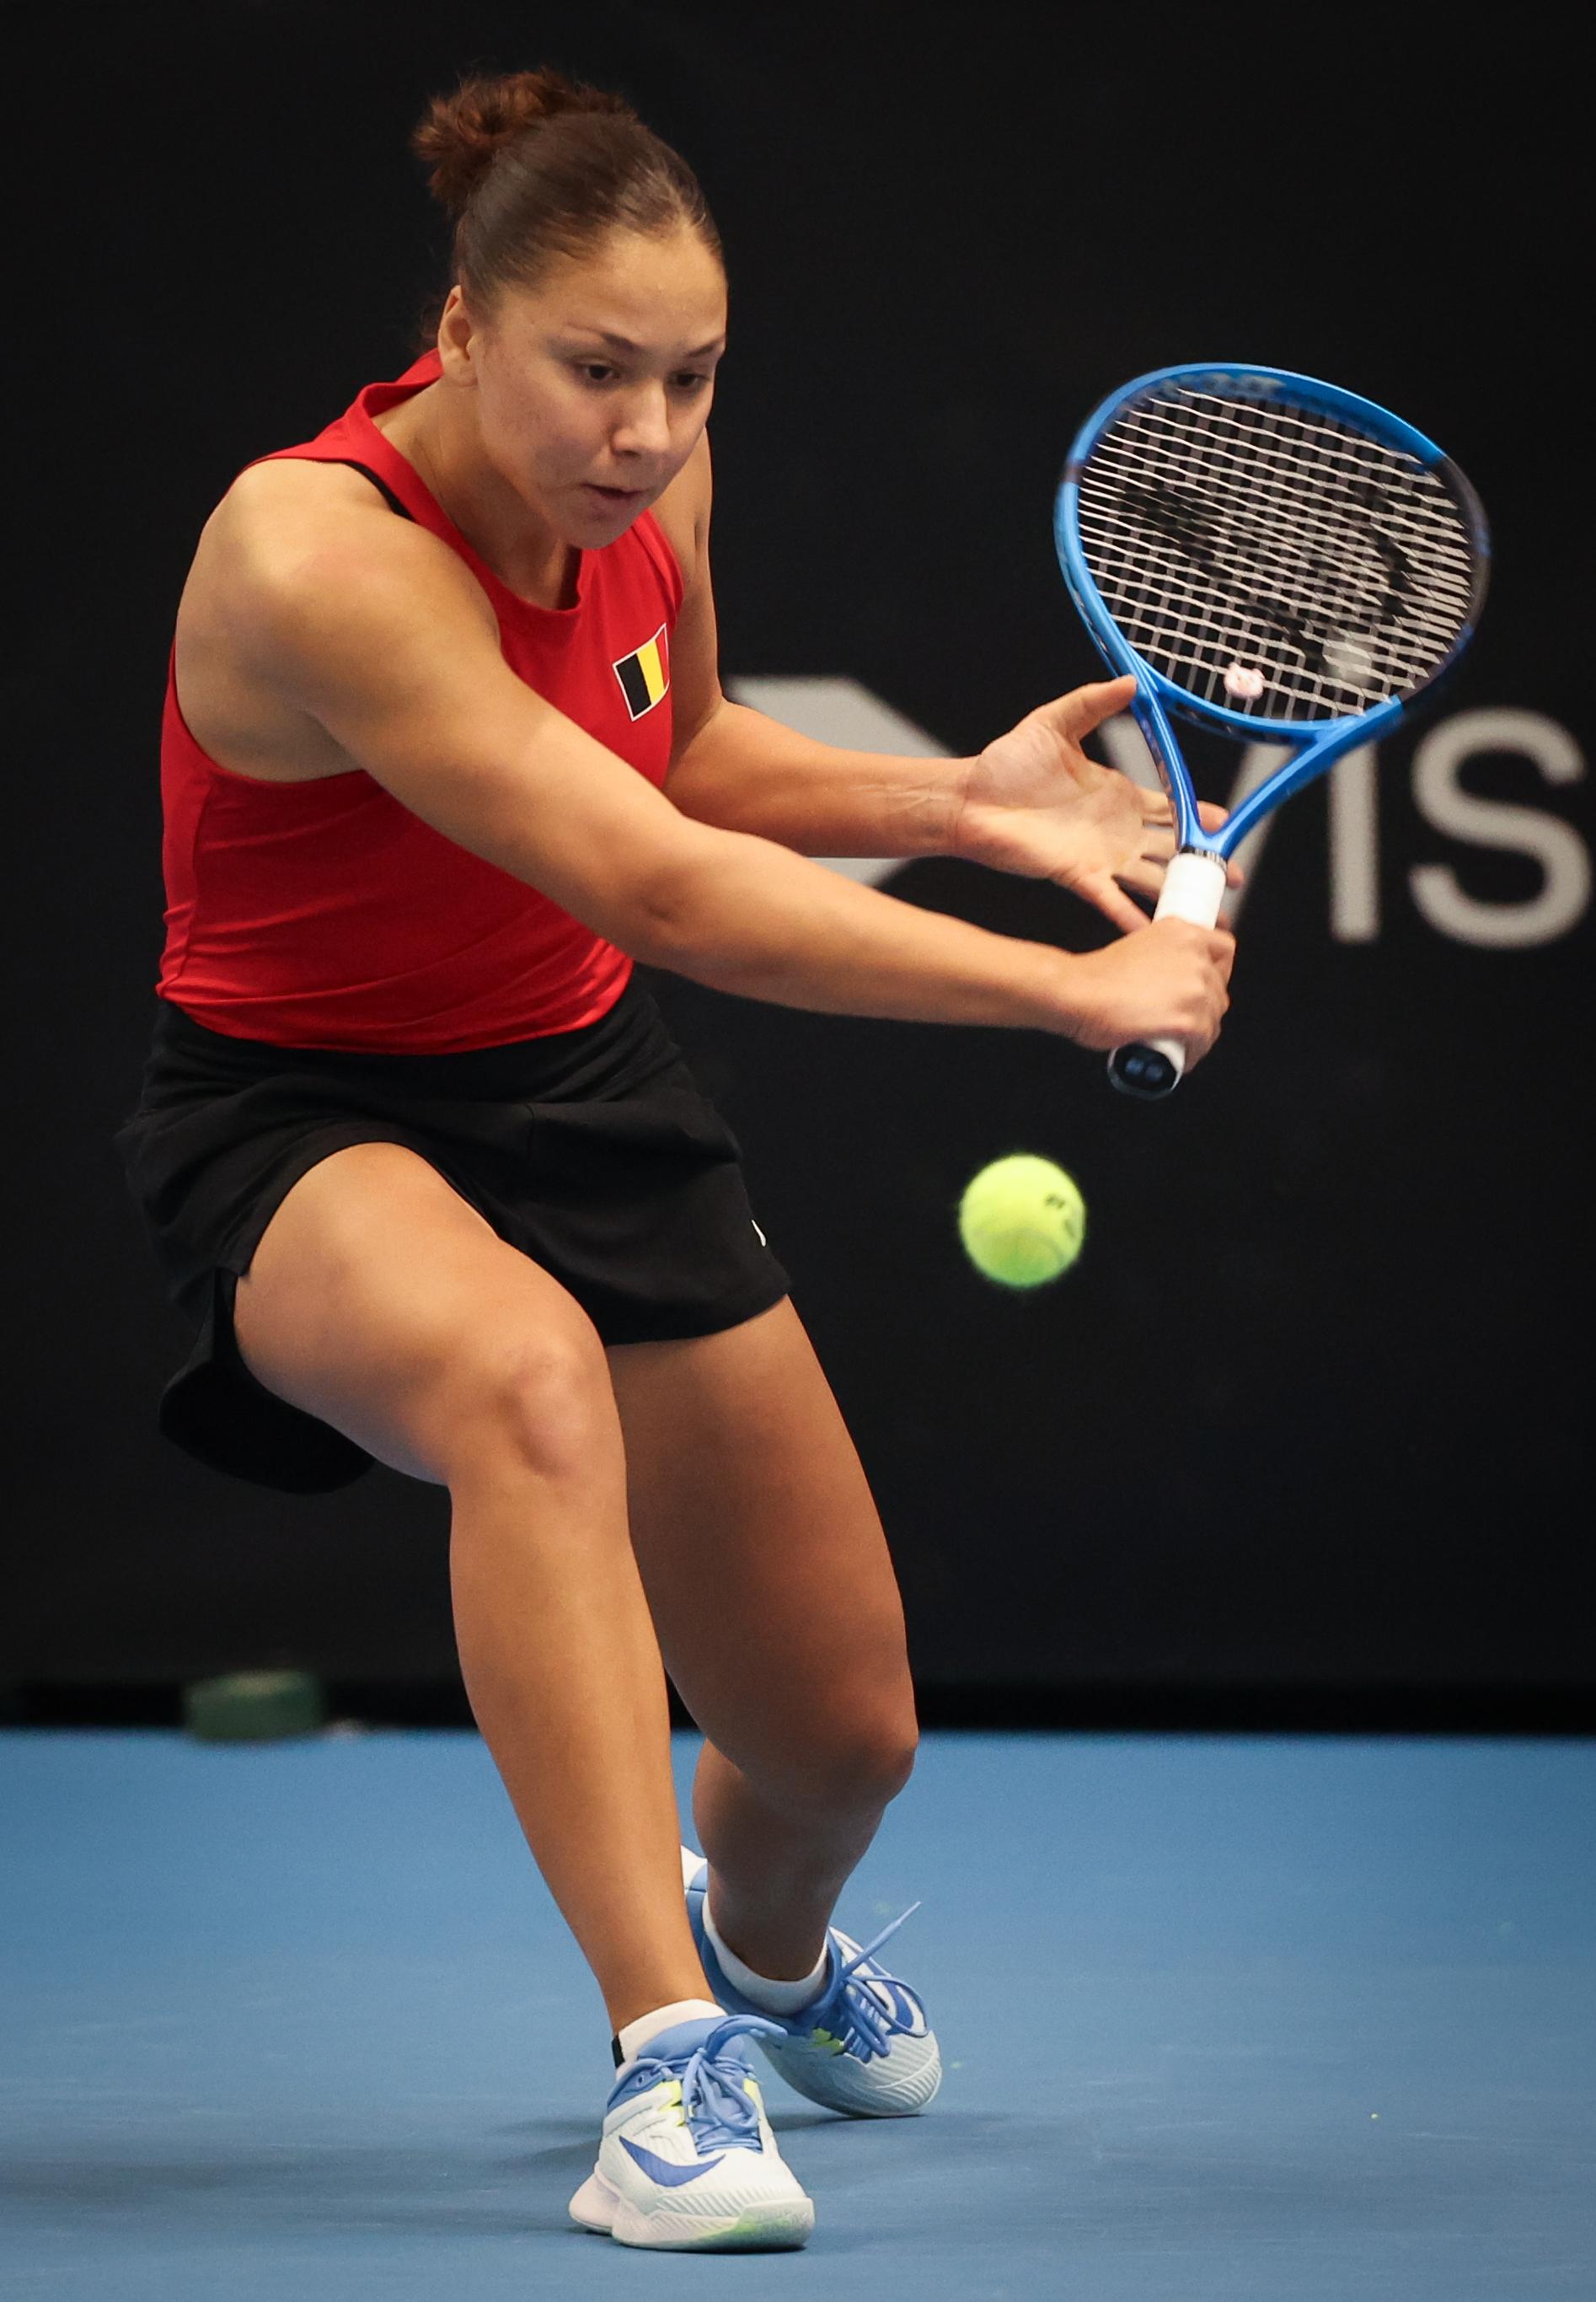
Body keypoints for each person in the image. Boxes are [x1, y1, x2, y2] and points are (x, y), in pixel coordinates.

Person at [115, 65, 1234, 2254]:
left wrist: (971, 806)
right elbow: (662, 881)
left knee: (838, 1731)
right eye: (594, 369)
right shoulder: (308, 549)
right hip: (297, 1110)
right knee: (523, 1381)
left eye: (690, 374)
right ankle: (662, 2071)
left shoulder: (659, 485)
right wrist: (1065, 988)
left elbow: (690, 750)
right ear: (461, 331)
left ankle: (771, 1956)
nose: (642, 427)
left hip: (577, 1084)